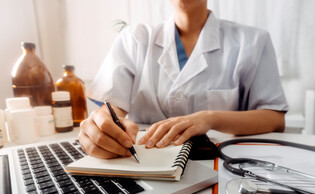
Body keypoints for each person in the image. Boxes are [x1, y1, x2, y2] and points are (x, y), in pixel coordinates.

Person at [79, 0, 288, 159]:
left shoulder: (252, 40)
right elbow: (110, 109)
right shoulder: (135, 39)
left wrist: (209, 118)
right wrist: (101, 127)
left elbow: (274, 119)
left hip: (219, 163)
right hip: (144, 162)